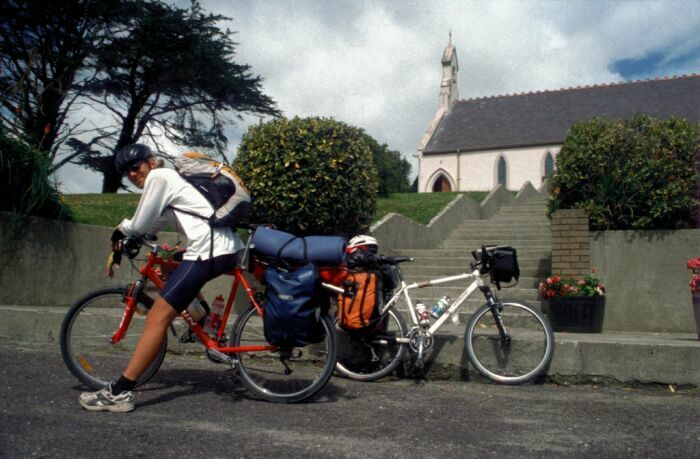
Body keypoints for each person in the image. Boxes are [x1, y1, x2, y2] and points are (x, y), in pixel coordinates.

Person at [79, 144, 243, 413]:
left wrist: (122, 230)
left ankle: (120, 392)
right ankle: (203, 319)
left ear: (151, 162)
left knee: (158, 316)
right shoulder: (171, 181)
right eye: (125, 172)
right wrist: (136, 237)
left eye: (136, 167)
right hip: (221, 248)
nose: (132, 174)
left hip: (209, 251)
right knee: (169, 267)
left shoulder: (160, 177)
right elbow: (153, 225)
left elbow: (140, 223)